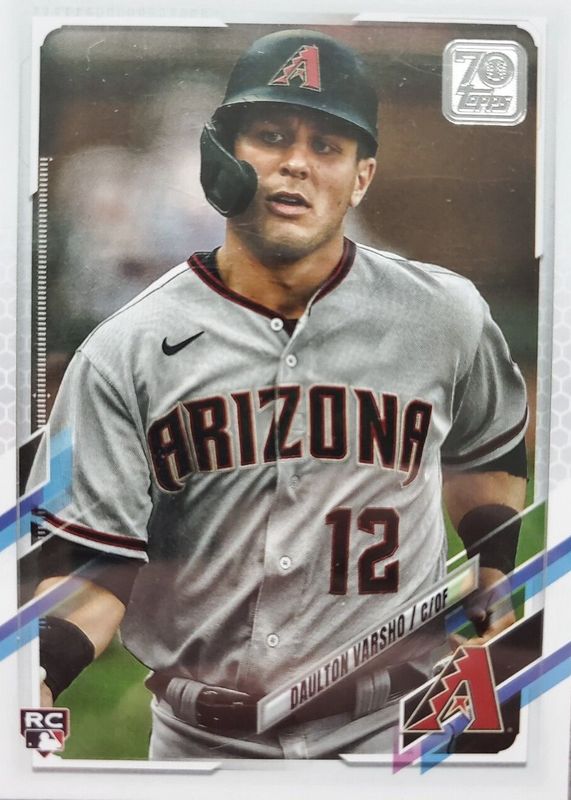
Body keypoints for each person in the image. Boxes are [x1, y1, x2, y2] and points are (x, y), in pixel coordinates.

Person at [33, 29, 528, 759]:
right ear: (220, 158)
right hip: (201, 741)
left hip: (393, 726)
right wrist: (37, 673)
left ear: (361, 177)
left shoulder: (443, 315)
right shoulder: (125, 349)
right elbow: (92, 567)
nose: (297, 162)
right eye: (270, 137)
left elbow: (486, 451)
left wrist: (495, 577)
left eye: (327, 145)